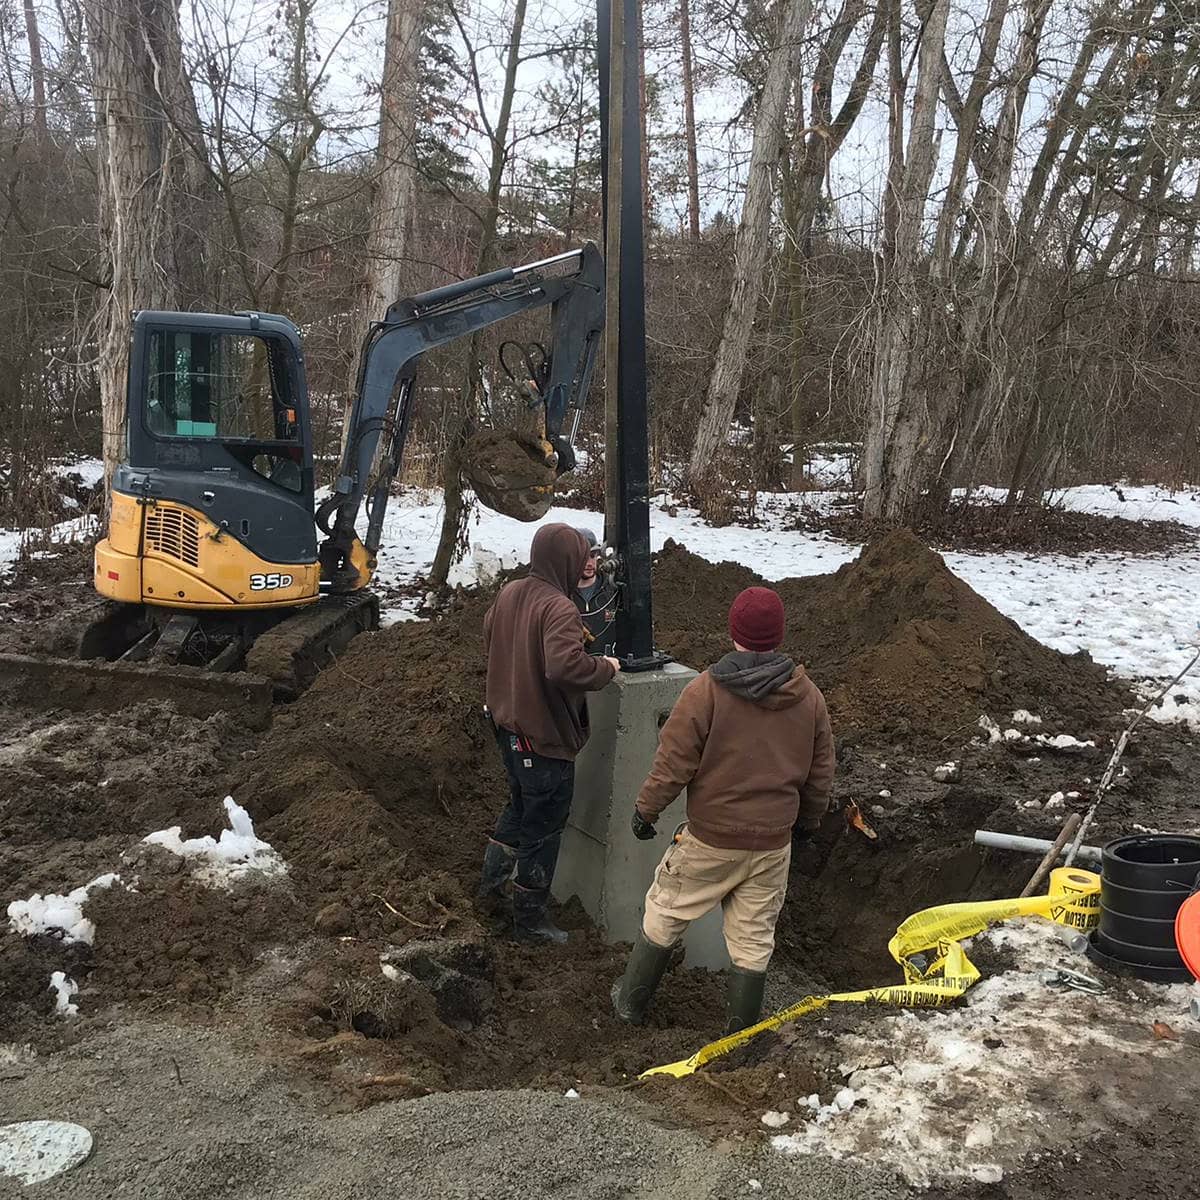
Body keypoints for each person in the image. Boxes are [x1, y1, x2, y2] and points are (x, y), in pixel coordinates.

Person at [611, 586, 834, 1031]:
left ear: (733, 632)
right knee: (753, 938)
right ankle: (739, 1032)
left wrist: (646, 810)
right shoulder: (808, 697)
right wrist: (808, 823)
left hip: (711, 838)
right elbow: (820, 770)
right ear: (779, 636)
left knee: (666, 909)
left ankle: (629, 1005)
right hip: (772, 843)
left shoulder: (706, 692)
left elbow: (673, 761)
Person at [478, 523, 621, 943]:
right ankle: (530, 922)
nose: (587, 563)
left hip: (507, 727)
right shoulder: (560, 607)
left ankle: (490, 891)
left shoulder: (511, 592)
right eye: (581, 555)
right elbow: (564, 667)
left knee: (519, 809)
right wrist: (604, 668)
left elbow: (492, 634)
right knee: (543, 828)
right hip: (542, 737)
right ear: (566, 559)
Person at [573, 527, 618, 657]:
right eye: (584, 557)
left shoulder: (612, 591)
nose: (589, 563)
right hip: (576, 671)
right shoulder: (563, 596)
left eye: (592, 556)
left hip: (610, 669)